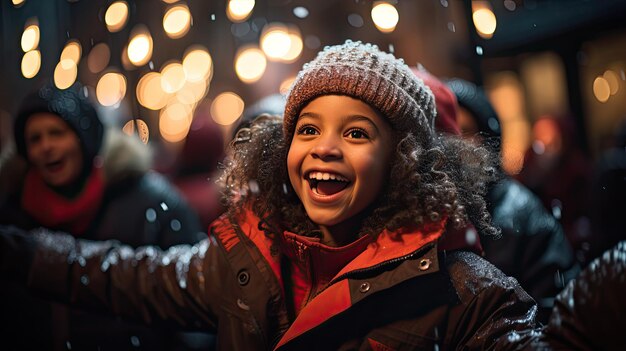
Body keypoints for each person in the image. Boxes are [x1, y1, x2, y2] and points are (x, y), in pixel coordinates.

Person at [1, 41, 540, 350]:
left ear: (402, 160)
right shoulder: (253, 261)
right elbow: (132, 276)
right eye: (307, 130)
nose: (324, 149)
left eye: (355, 133)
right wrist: (19, 251)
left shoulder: (468, 292)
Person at [0, 82, 205, 350]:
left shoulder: (150, 202)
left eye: (57, 133)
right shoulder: (12, 213)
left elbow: (192, 297)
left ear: (84, 140)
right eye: (35, 139)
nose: (46, 146)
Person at [439, 76, 579, 323]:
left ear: (488, 138)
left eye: (467, 130)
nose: (456, 143)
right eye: (446, 130)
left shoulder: (522, 211)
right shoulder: (421, 214)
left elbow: (558, 306)